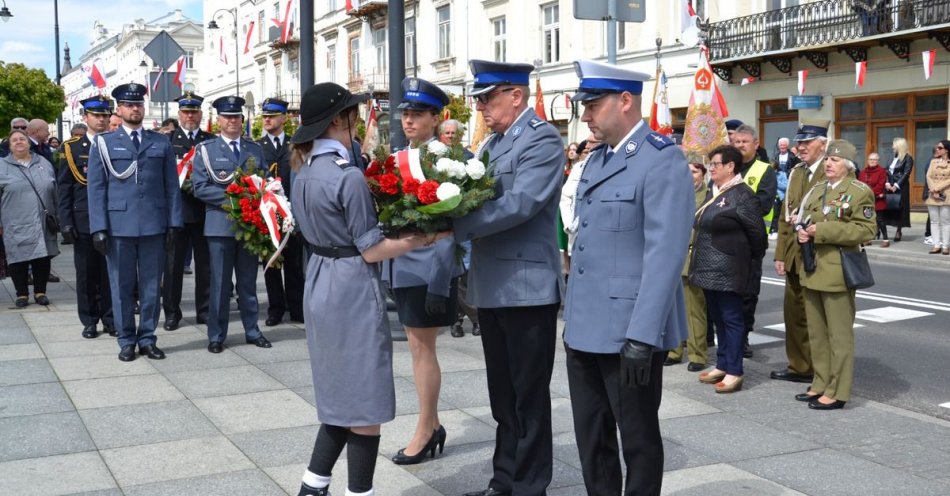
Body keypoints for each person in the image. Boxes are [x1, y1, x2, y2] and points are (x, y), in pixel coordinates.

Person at [288, 81, 444, 496]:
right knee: (365, 401)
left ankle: (314, 484)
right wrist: (425, 237)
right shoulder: (347, 176)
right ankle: (359, 491)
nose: (358, 122)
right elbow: (373, 249)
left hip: (320, 277)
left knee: (341, 393)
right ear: (340, 120)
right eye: (353, 114)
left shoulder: (303, 169)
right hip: (351, 285)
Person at [562, 60, 692, 496]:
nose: (585, 115)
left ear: (625, 101)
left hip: (627, 332)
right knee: (592, 439)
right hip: (583, 328)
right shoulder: (596, 161)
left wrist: (643, 336)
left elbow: (665, 256)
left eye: (593, 105)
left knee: (636, 440)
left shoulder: (662, 160)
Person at [456, 60, 564, 496]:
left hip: (526, 289)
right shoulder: (491, 146)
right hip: (495, 286)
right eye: (478, 99)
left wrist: (455, 226)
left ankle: (529, 486)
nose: (480, 106)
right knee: (503, 396)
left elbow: (521, 203)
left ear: (516, 95)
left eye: (487, 97)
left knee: (528, 397)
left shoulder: (541, 140)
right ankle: (504, 481)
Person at [383, 77, 464, 466]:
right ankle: (430, 425)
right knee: (416, 347)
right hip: (402, 264)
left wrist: (439, 282)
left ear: (437, 118)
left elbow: (451, 226)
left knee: (422, 348)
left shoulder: (448, 162)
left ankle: (426, 428)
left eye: (417, 114)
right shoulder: (402, 156)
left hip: (430, 266)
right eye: (406, 114)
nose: (409, 121)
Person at [87, 83, 182, 362]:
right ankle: (126, 340)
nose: (135, 109)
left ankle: (148, 338)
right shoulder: (104, 144)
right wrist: (99, 228)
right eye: (129, 105)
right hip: (119, 227)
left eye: (139, 104)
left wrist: (174, 224)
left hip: (154, 224)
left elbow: (171, 187)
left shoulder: (160, 142)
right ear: (119, 109)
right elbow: (96, 189)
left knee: (152, 286)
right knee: (121, 287)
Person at [795, 140, 875, 410]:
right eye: (828, 159)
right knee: (817, 334)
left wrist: (823, 231)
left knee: (839, 336)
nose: (828, 163)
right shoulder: (818, 188)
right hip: (812, 268)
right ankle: (820, 383)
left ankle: (838, 391)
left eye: (835, 160)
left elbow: (865, 231)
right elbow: (805, 219)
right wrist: (803, 230)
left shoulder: (858, 191)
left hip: (837, 271)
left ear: (848, 166)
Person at [192, 95, 270, 354]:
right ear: (218, 121)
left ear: (242, 119)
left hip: (249, 228)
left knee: (248, 283)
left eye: (236, 117)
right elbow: (200, 187)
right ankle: (216, 335)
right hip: (220, 225)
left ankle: (252, 330)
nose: (232, 121)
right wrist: (237, 198)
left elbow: (265, 183)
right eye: (227, 117)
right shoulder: (206, 150)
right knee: (220, 284)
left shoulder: (254, 150)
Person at [690, 144, 767, 394]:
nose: (711, 168)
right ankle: (722, 363)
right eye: (710, 164)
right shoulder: (716, 191)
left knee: (732, 320)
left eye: (715, 164)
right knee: (719, 320)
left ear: (730, 166)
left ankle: (734, 370)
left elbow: (757, 235)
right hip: (709, 268)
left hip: (729, 268)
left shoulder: (742, 194)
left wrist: (744, 261)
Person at [771, 119, 829, 384]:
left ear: (823, 144)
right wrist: (781, 254)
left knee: (817, 317)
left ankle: (822, 371)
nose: (801, 147)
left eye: (807, 143)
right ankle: (799, 366)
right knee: (793, 315)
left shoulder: (832, 171)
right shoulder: (796, 173)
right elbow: (785, 217)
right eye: (799, 143)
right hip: (795, 253)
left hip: (819, 254)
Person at [58, 95, 116, 338]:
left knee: (110, 273)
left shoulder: (117, 143)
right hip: (84, 219)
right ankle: (90, 320)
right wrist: (66, 221)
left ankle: (111, 319)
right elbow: (64, 188)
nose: (101, 120)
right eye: (96, 115)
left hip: (114, 218)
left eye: (104, 115)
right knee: (86, 274)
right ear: (85, 118)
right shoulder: (71, 148)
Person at [162, 92, 214, 330]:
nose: (190, 116)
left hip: (205, 212)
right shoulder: (167, 141)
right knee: (173, 267)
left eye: (194, 112)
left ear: (201, 114)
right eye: (186, 112)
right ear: (179, 114)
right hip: (177, 212)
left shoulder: (210, 140)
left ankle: (204, 310)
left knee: (205, 264)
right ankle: (172, 312)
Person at [258, 97, 305, 326]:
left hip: (292, 213)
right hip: (269, 213)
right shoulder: (257, 146)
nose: (267, 119)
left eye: (272, 115)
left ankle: (297, 306)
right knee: (272, 263)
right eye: (265, 116)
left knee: (294, 263)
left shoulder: (294, 146)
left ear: (283, 118)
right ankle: (275, 308)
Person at [0, 129, 60, 307]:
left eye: (22, 139)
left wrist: (58, 216)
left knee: (43, 256)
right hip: (15, 219)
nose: (19, 142)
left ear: (28, 143)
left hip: (42, 219)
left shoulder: (43, 163)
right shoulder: (2, 166)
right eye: (14, 140)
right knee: (17, 256)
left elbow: (54, 189)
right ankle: (22, 294)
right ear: (9, 146)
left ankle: (40, 292)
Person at [732, 124, 777, 358]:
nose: (740, 145)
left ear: (755, 144)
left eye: (744, 142)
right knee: (725, 291)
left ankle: (743, 336)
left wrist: (731, 212)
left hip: (751, 243)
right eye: (737, 142)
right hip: (726, 241)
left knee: (747, 292)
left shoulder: (764, 170)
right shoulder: (728, 166)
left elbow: (764, 203)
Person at [666, 154, 710, 372]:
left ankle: (697, 354)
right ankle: (674, 350)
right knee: (672, 308)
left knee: (694, 310)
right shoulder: (674, 193)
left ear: (703, 173)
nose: (689, 175)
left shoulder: (708, 195)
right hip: (672, 256)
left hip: (692, 257)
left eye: (694, 171)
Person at [883, 137, 913, 241]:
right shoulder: (891, 156)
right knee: (888, 206)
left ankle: (899, 230)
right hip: (889, 185)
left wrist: (896, 185)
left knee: (900, 207)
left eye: (894, 145)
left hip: (901, 186)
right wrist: (887, 183)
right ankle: (881, 228)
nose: (892, 147)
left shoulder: (908, 158)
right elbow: (886, 170)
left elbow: (906, 173)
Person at [857, 153, 889, 247]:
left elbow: (880, 186)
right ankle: (868, 239)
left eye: (874, 160)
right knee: (867, 220)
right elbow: (859, 185)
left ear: (878, 161)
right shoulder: (863, 172)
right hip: (866, 201)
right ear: (867, 160)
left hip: (877, 200)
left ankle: (886, 240)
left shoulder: (882, 171)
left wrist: (867, 193)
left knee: (880, 220)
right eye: (870, 159)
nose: (872, 161)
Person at [925, 139, 950, 255]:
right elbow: (928, 175)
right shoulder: (933, 162)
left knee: (945, 221)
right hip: (933, 194)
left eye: (940, 148)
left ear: (946, 150)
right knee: (934, 221)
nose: (937, 149)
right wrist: (933, 188)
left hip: (946, 194)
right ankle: (936, 245)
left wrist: (938, 187)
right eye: (937, 147)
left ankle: (945, 246)